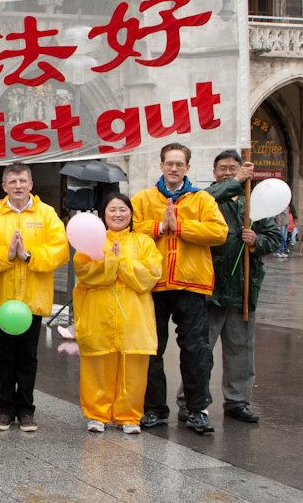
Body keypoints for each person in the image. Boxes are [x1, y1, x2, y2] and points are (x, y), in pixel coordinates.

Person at [132, 142, 228, 434]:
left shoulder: (202, 199)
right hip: (154, 284)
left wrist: (182, 227)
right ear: (161, 166)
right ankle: (154, 409)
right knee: (151, 349)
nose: (174, 168)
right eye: (169, 163)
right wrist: (161, 227)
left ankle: (196, 409)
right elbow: (132, 228)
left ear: (188, 167)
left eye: (179, 164)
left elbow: (219, 232)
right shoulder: (143, 199)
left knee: (196, 351)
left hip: (191, 284)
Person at [0, 163, 70, 433]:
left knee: (28, 357)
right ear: (4, 186)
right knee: (4, 357)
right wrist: (7, 256)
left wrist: (29, 255)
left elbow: (60, 249)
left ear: (31, 185)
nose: (18, 185)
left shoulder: (47, 214)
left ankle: (26, 409)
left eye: (22, 181)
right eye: (12, 181)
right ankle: (5, 409)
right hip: (2, 299)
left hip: (32, 298)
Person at [190, 152, 281, 425]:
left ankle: (237, 401)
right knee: (200, 350)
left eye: (233, 168)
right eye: (223, 169)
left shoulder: (253, 201)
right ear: (214, 172)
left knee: (241, 350)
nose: (228, 172)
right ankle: (191, 402)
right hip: (210, 287)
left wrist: (256, 241)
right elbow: (200, 202)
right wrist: (236, 181)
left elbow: (273, 238)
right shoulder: (206, 198)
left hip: (243, 288)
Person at [74, 194, 162, 434]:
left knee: (133, 368)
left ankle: (129, 416)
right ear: (104, 214)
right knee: (97, 364)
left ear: (131, 214)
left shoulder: (144, 242)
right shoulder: (92, 240)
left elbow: (150, 275)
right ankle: (96, 414)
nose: (118, 214)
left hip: (134, 315)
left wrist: (120, 261)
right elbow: (84, 271)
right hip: (98, 312)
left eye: (123, 209)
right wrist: (109, 262)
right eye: (112, 209)